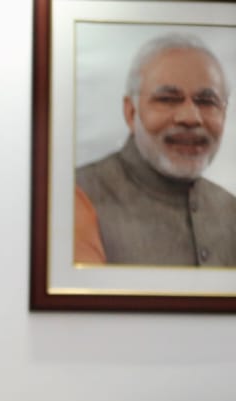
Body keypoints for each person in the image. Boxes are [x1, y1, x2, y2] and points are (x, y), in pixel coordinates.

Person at [74, 32, 236, 266]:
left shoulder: (230, 210)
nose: (190, 118)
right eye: (168, 99)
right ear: (131, 113)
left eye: (206, 102)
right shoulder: (77, 197)